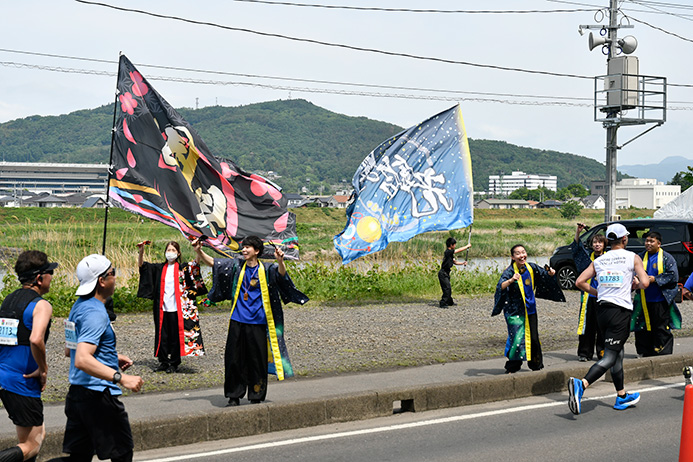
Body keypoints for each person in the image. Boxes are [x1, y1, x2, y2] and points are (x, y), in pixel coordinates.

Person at [193, 236, 308, 406]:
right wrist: (199, 251)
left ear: (257, 251)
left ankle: (256, 395)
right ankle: (234, 395)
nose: (244, 250)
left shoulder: (268, 269)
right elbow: (214, 264)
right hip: (237, 320)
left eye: (247, 247)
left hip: (259, 322)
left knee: (257, 360)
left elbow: (282, 275)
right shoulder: (237, 266)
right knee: (234, 359)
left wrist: (281, 261)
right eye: (243, 247)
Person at [59, 254, 143, 461]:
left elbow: (70, 350)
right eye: (112, 273)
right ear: (102, 281)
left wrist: (111, 356)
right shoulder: (96, 313)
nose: (116, 277)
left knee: (78, 458)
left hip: (78, 395)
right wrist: (121, 378)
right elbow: (81, 358)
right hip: (99, 396)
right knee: (122, 453)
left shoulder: (78, 306)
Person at [569, 223, 650, 415]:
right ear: (624, 239)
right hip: (619, 312)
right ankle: (582, 384)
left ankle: (621, 396)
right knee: (611, 356)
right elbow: (645, 283)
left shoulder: (600, 260)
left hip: (601, 310)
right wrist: (635, 285)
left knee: (617, 353)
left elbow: (579, 282)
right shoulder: (632, 257)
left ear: (608, 241)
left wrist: (598, 292)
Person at [0, 251, 56, 462]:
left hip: (4, 376)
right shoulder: (41, 305)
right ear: (39, 278)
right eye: (50, 272)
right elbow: (35, 339)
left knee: (26, 442)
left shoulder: (9, 300)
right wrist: (43, 369)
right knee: (33, 443)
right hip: (23, 380)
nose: (52, 276)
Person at [492, 244, 565, 374]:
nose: (522, 256)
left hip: (530, 309)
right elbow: (500, 287)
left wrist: (550, 273)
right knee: (517, 339)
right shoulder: (510, 271)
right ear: (513, 257)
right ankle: (512, 367)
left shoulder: (531, 267)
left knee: (534, 338)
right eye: (518, 253)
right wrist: (511, 280)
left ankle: (536, 365)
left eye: (523, 252)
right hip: (515, 312)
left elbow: (544, 275)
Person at [137, 241, 207, 373]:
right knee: (162, 335)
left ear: (178, 253)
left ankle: (174, 362)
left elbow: (195, 266)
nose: (170, 252)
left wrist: (198, 250)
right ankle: (163, 361)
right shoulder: (159, 268)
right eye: (168, 250)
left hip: (178, 309)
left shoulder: (183, 268)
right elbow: (143, 267)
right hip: (162, 308)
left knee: (176, 335)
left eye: (173, 250)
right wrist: (141, 251)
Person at [631, 231, 681, 356]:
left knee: (661, 326)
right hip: (643, 299)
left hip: (660, 299)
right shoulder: (640, 257)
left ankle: (662, 352)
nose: (648, 243)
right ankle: (644, 351)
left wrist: (654, 279)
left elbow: (673, 275)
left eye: (651, 241)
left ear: (659, 244)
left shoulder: (667, 258)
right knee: (642, 326)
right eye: (647, 241)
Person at [570, 223, 606, 361]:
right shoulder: (587, 258)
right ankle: (585, 353)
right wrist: (578, 232)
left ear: (604, 244)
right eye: (594, 242)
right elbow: (576, 249)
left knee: (603, 325)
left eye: (600, 242)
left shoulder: (610, 258)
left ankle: (602, 352)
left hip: (604, 296)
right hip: (588, 295)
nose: (597, 245)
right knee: (587, 325)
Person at [438, 237, 471, 308]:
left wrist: (462, 263)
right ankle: (443, 303)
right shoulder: (448, 252)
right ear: (451, 245)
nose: (455, 246)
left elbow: (455, 262)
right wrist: (467, 246)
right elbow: (458, 250)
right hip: (443, 273)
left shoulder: (450, 254)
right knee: (447, 288)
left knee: (448, 288)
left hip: (446, 273)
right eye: (454, 244)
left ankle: (449, 302)